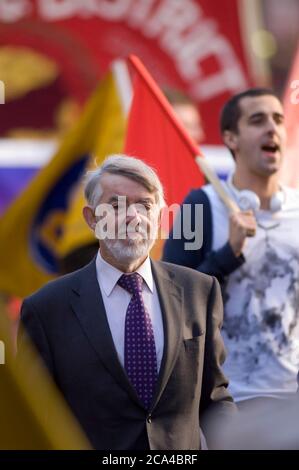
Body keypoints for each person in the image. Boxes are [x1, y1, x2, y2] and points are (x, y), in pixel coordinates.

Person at [18, 154, 235, 450]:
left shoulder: (198, 291)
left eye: (144, 205)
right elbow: (33, 419)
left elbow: (214, 400)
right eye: (116, 205)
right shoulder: (46, 310)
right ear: (92, 219)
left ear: (158, 217)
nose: (133, 216)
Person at [163, 88, 299, 408]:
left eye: (278, 119)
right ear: (231, 139)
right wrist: (228, 254)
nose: (272, 128)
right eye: (257, 120)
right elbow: (173, 302)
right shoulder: (198, 207)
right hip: (228, 403)